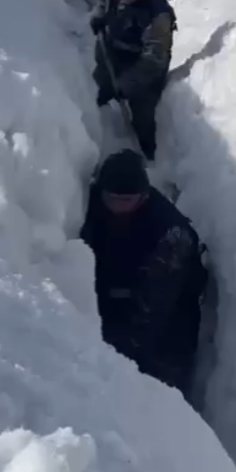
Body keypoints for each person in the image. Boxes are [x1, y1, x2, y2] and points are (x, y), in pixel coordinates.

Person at [81, 150, 206, 396]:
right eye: (113, 199)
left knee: (157, 390)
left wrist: (122, 350)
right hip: (110, 298)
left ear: (144, 195)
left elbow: (157, 303)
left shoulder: (170, 234)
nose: (119, 206)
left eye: (127, 200)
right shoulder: (92, 205)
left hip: (168, 317)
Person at [90, 0, 176, 161]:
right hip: (114, 50)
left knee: (143, 111)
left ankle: (148, 152)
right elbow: (104, 1)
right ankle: (93, 122)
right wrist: (99, 17)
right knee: (100, 85)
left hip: (145, 64)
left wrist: (128, 83)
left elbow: (154, 60)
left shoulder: (158, 16)